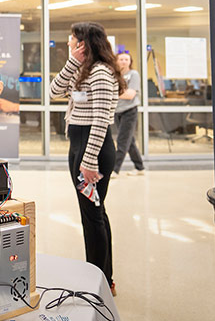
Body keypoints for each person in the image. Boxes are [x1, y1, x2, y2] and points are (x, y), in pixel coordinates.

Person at [49, 21, 124, 294]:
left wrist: (89, 160)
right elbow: (53, 91)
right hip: (79, 145)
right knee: (94, 212)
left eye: (72, 38)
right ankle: (104, 276)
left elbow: (101, 120)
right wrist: (71, 63)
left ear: (84, 43)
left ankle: (100, 281)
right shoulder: (82, 70)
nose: (68, 41)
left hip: (94, 148)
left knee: (92, 215)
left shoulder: (102, 74)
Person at [112, 50, 145, 175]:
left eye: (126, 59)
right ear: (116, 61)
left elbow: (130, 94)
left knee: (122, 140)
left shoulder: (133, 74)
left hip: (129, 111)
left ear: (130, 62)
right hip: (117, 110)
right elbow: (123, 93)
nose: (124, 61)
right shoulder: (115, 75)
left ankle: (115, 170)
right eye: (121, 59)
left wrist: (113, 93)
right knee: (129, 141)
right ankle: (140, 167)